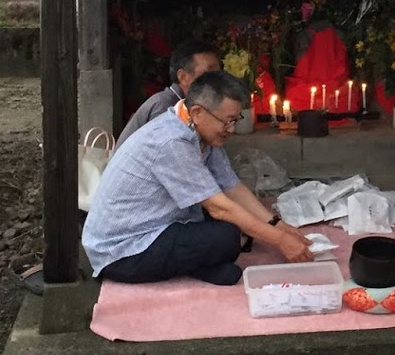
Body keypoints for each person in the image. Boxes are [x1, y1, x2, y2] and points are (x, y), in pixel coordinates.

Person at [84, 71, 313, 286]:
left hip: (160, 224)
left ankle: (197, 265)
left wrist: (280, 226)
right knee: (227, 234)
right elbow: (219, 208)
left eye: (235, 120)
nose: (231, 129)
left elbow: (232, 187)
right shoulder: (171, 141)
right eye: (227, 121)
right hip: (123, 250)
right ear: (197, 113)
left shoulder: (200, 132)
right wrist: (280, 241)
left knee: (235, 229)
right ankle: (196, 265)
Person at [117, 38, 222, 145]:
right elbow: (164, 154)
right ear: (183, 76)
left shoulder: (189, 104)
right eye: (209, 74)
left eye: (218, 74)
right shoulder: (165, 106)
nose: (217, 80)